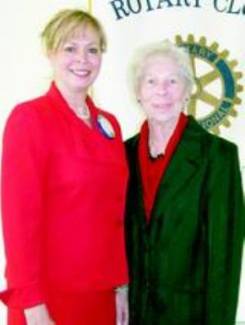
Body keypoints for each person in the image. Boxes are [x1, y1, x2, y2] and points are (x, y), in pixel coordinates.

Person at [0, 9, 129, 325]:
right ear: (50, 52)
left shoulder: (108, 124)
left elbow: (116, 214)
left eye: (92, 49)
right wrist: (33, 305)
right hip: (49, 299)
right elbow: (18, 221)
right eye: (70, 48)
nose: (82, 59)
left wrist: (122, 286)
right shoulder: (29, 119)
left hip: (101, 297)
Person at [125, 40, 245, 324]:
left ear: (188, 91)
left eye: (172, 81)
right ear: (138, 92)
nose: (162, 91)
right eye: (151, 81)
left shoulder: (218, 157)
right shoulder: (122, 155)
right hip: (132, 314)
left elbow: (224, 261)